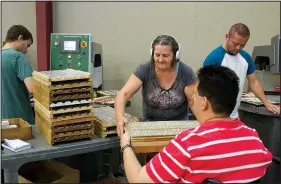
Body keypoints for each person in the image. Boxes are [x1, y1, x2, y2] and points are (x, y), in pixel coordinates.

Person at [120, 65, 272, 183]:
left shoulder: (187, 145)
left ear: (204, 103)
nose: (192, 98)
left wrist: (126, 145)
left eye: (194, 95)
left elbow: (138, 179)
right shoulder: (254, 139)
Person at [115, 35, 196, 136]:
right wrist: (119, 117)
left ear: (176, 56)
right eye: (157, 55)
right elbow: (123, 94)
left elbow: (194, 102)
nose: (160, 60)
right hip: (150, 125)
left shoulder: (185, 72)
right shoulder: (144, 69)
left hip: (179, 127)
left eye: (165, 56)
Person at [203, 23, 280, 119]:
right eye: (235, 43)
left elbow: (254, 82)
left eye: (242, 45)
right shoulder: (214, 58)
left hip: (234, 115)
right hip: (215, 116)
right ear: (227, 37)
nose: (238, 48)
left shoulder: (245, 57)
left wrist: (267, 103)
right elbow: (204, 89)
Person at [1, 25, 35, 124]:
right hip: (20, 120)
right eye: (27, 45)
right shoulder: (18, 57)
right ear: (20, 38)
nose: (26, 50)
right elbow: (32, 88)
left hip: (3, 121)